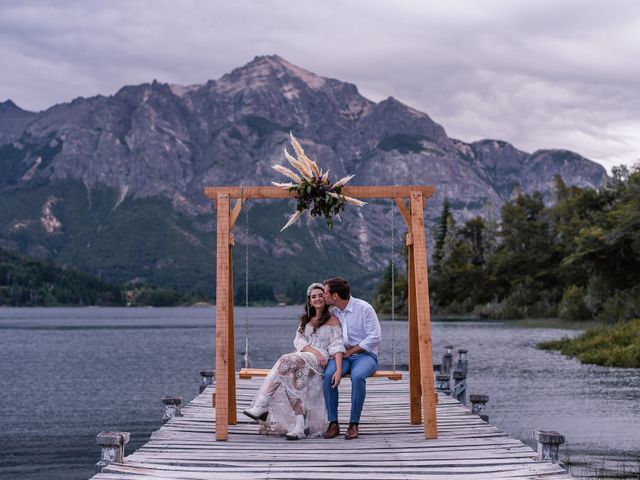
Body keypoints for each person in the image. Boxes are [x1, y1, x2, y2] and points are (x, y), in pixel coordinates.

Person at [243, 283, 345, 440]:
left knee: (284, 360)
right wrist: (313, 351)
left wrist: (338, 369)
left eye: (320, 295)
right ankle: (298, 426)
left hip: (321, 360)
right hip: (304, 356)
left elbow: (338, 346)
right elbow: (298, 341)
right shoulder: (306, 320)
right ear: (309, 301)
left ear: (325, 298)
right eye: (313, 297)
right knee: (291, 381)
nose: (317, 298)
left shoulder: (333, 320)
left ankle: (262, 404)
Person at [322, 277, 381, 440]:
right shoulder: (333, 312)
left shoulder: (364, 308)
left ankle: (354, 424)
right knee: (328, 376)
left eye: (325, 292)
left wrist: (351, 351)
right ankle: (333, 422)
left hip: (365, 355)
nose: (323, 295)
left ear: (335, 296)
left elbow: (375, 337)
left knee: (357, 376)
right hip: (342, 356)